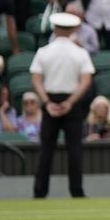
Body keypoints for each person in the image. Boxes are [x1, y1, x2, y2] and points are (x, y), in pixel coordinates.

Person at [29, 12, 94, 198]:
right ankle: (76, 191)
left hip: (51, 101)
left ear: (55, 29)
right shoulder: (80, 53)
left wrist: (47, 102)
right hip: (71, 103)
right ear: (73, 29)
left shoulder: (44, 52)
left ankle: (40, 192)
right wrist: (70, 102)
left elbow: (36, 79)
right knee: (74, 149)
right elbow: (86, 80)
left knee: (46, 149)